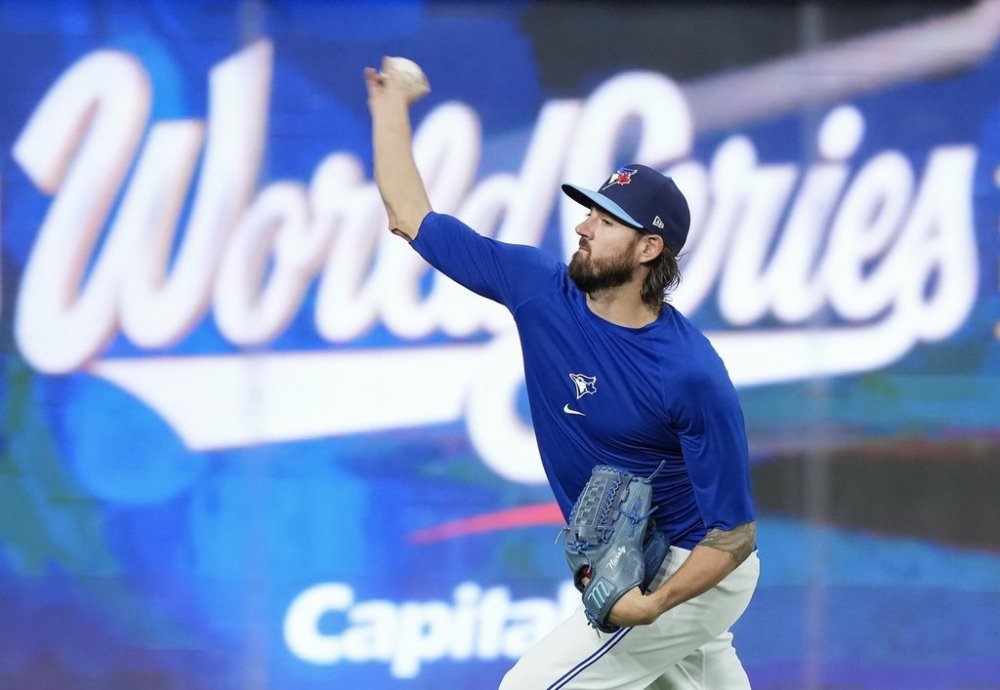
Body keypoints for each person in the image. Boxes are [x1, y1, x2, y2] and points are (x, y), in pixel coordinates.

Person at [365, 56, 760, 690]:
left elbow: (734, 536)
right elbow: (410, 214)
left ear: (648, 249)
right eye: (589, 212)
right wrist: (390, 109)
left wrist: (654, 604)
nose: (582, 225)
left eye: (605, 222)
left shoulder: (688, 372)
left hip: (689, 569)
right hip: (637, 563)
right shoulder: (538, 289)